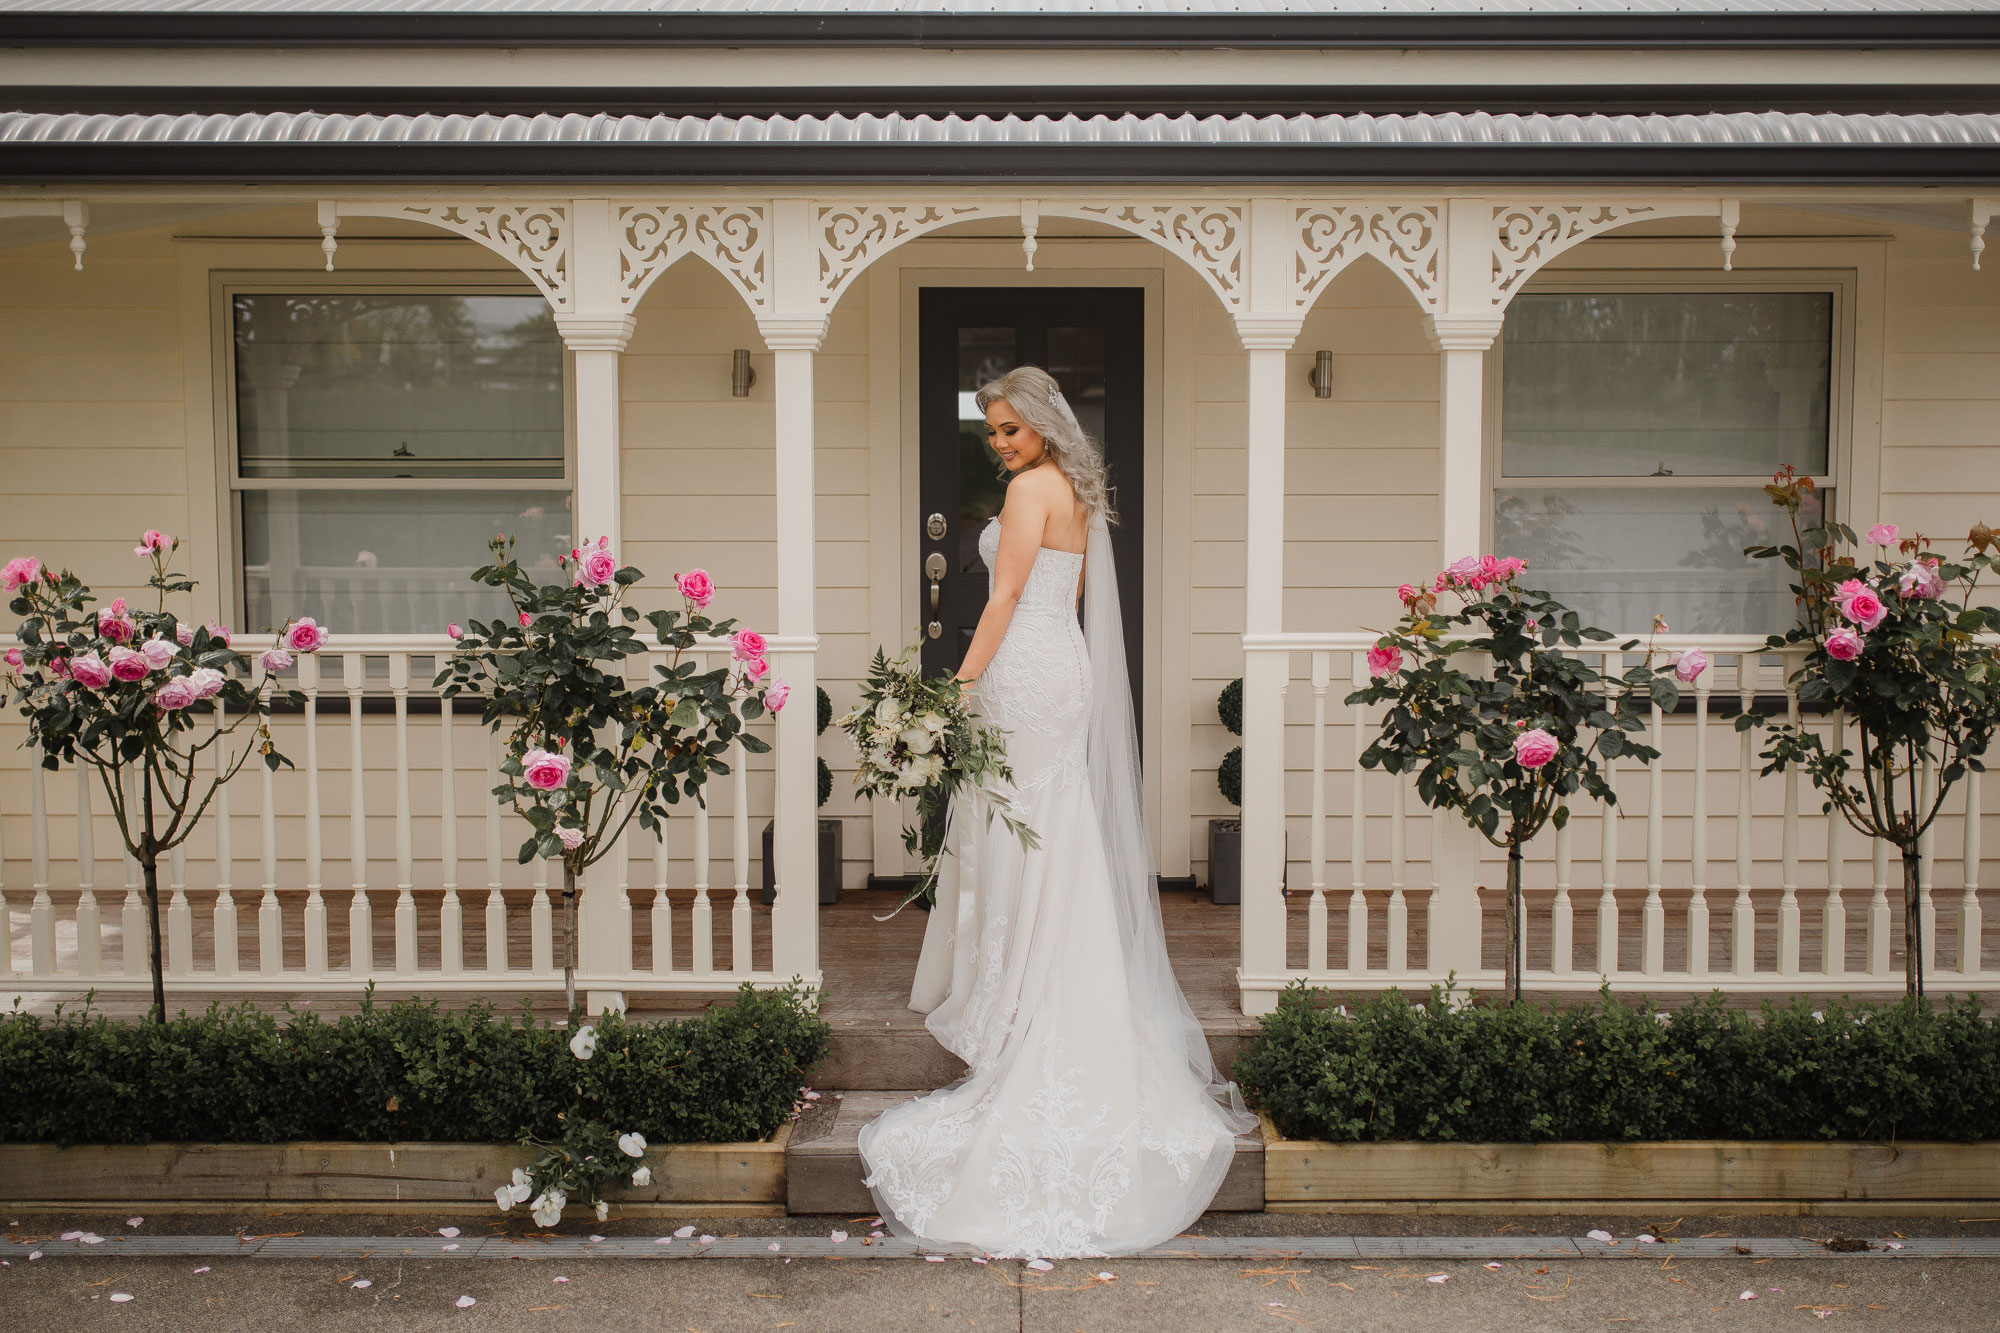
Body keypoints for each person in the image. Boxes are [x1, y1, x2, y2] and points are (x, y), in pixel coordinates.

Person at [857, 365, 1255, 1258]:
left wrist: (955, 688)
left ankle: (1017, 994)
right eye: (990, 429)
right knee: (1049, 820)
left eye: (1009, 426)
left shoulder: (1028, 489)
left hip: (1022, 672)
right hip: (1058, 666)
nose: (998, 441)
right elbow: (1063, 600)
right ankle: (1042, 974)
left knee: (1015, 819)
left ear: (1040, 424)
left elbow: (1001, 598)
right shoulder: (1072, 488)